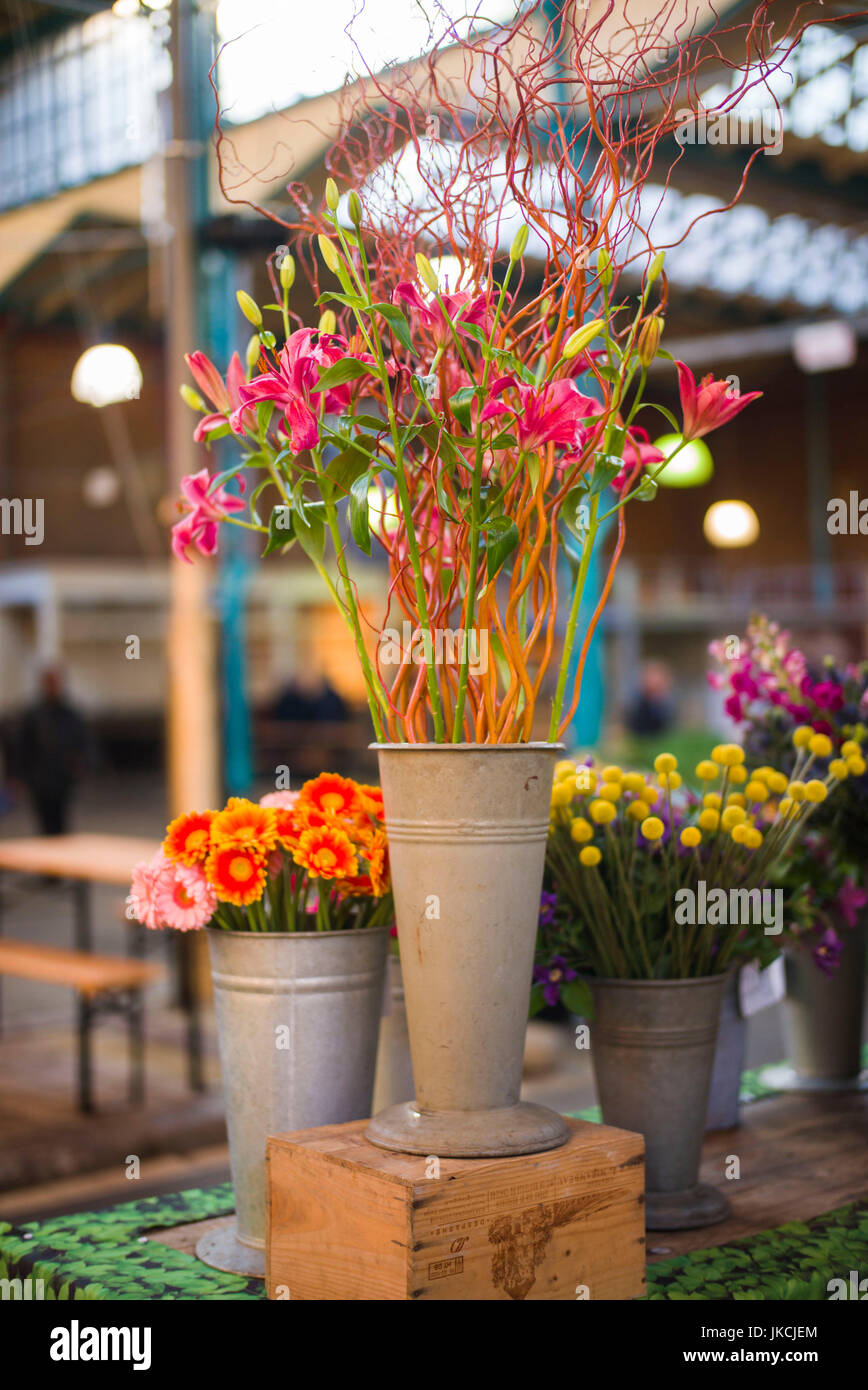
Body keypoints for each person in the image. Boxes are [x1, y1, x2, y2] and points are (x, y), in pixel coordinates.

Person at [11, 668, 90, 836]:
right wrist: (20, 776)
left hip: (62, 779)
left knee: (61, 824)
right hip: (40, 781)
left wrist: (80, 768)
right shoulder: (33, 716)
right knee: (45, 825)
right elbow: (22, 747)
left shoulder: (69, 714)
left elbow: (82, 743)